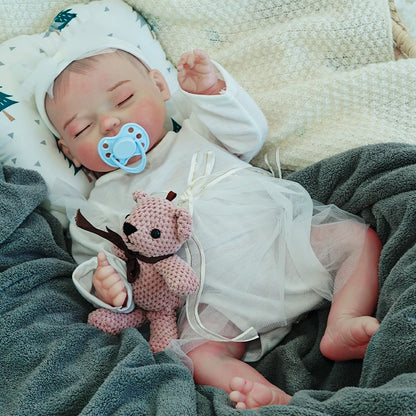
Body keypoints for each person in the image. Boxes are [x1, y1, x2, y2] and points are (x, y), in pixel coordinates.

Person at [38, 45, 381, 410]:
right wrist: (109, 288)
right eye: (84, 127)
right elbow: (98, 262)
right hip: (215, 302)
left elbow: (248, 134)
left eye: (123, 99)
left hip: (283, 245)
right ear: (70, 152)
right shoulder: (99, 207)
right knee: (199, 357)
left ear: (159, 86)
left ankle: (342, 322)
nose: (110, 124)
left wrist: (210, 90)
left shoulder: (197, 132)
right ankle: (272, 400)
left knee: (357, 239)